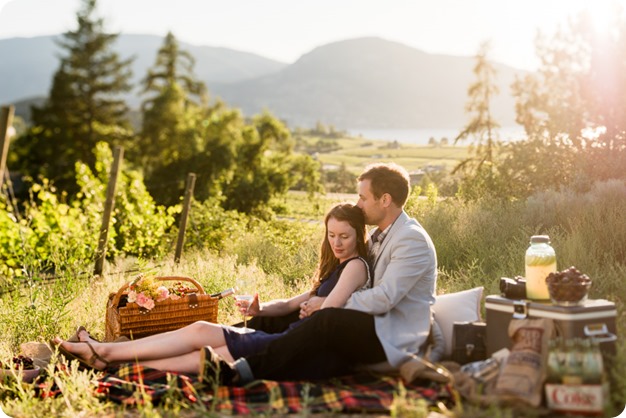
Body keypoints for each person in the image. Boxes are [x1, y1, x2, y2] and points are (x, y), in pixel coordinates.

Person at [50, 203, 371, 374]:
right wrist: (260, 309)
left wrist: (316, 306)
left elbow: (329, 311)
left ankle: (105, 354)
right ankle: (106, 357)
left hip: (292, 347)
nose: (337, 242)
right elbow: (292, 303)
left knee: (203, 347)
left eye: (344, 235)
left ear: (358, 233)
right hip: (289, 340)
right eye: (331, 235)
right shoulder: (337, 267)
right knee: (202, 344)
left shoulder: (356, 267)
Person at [201, 162, 447, 385]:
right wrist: (315, 300)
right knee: (290, 315)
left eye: (363, 198)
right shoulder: (377, 237)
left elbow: (384, 297)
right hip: (373, 325)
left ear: (385, 200)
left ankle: (238, 371)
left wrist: (327, 303)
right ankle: (224, 341)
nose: (358, 205)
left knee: (326, 318)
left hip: (392, 339)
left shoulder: (411, 239)